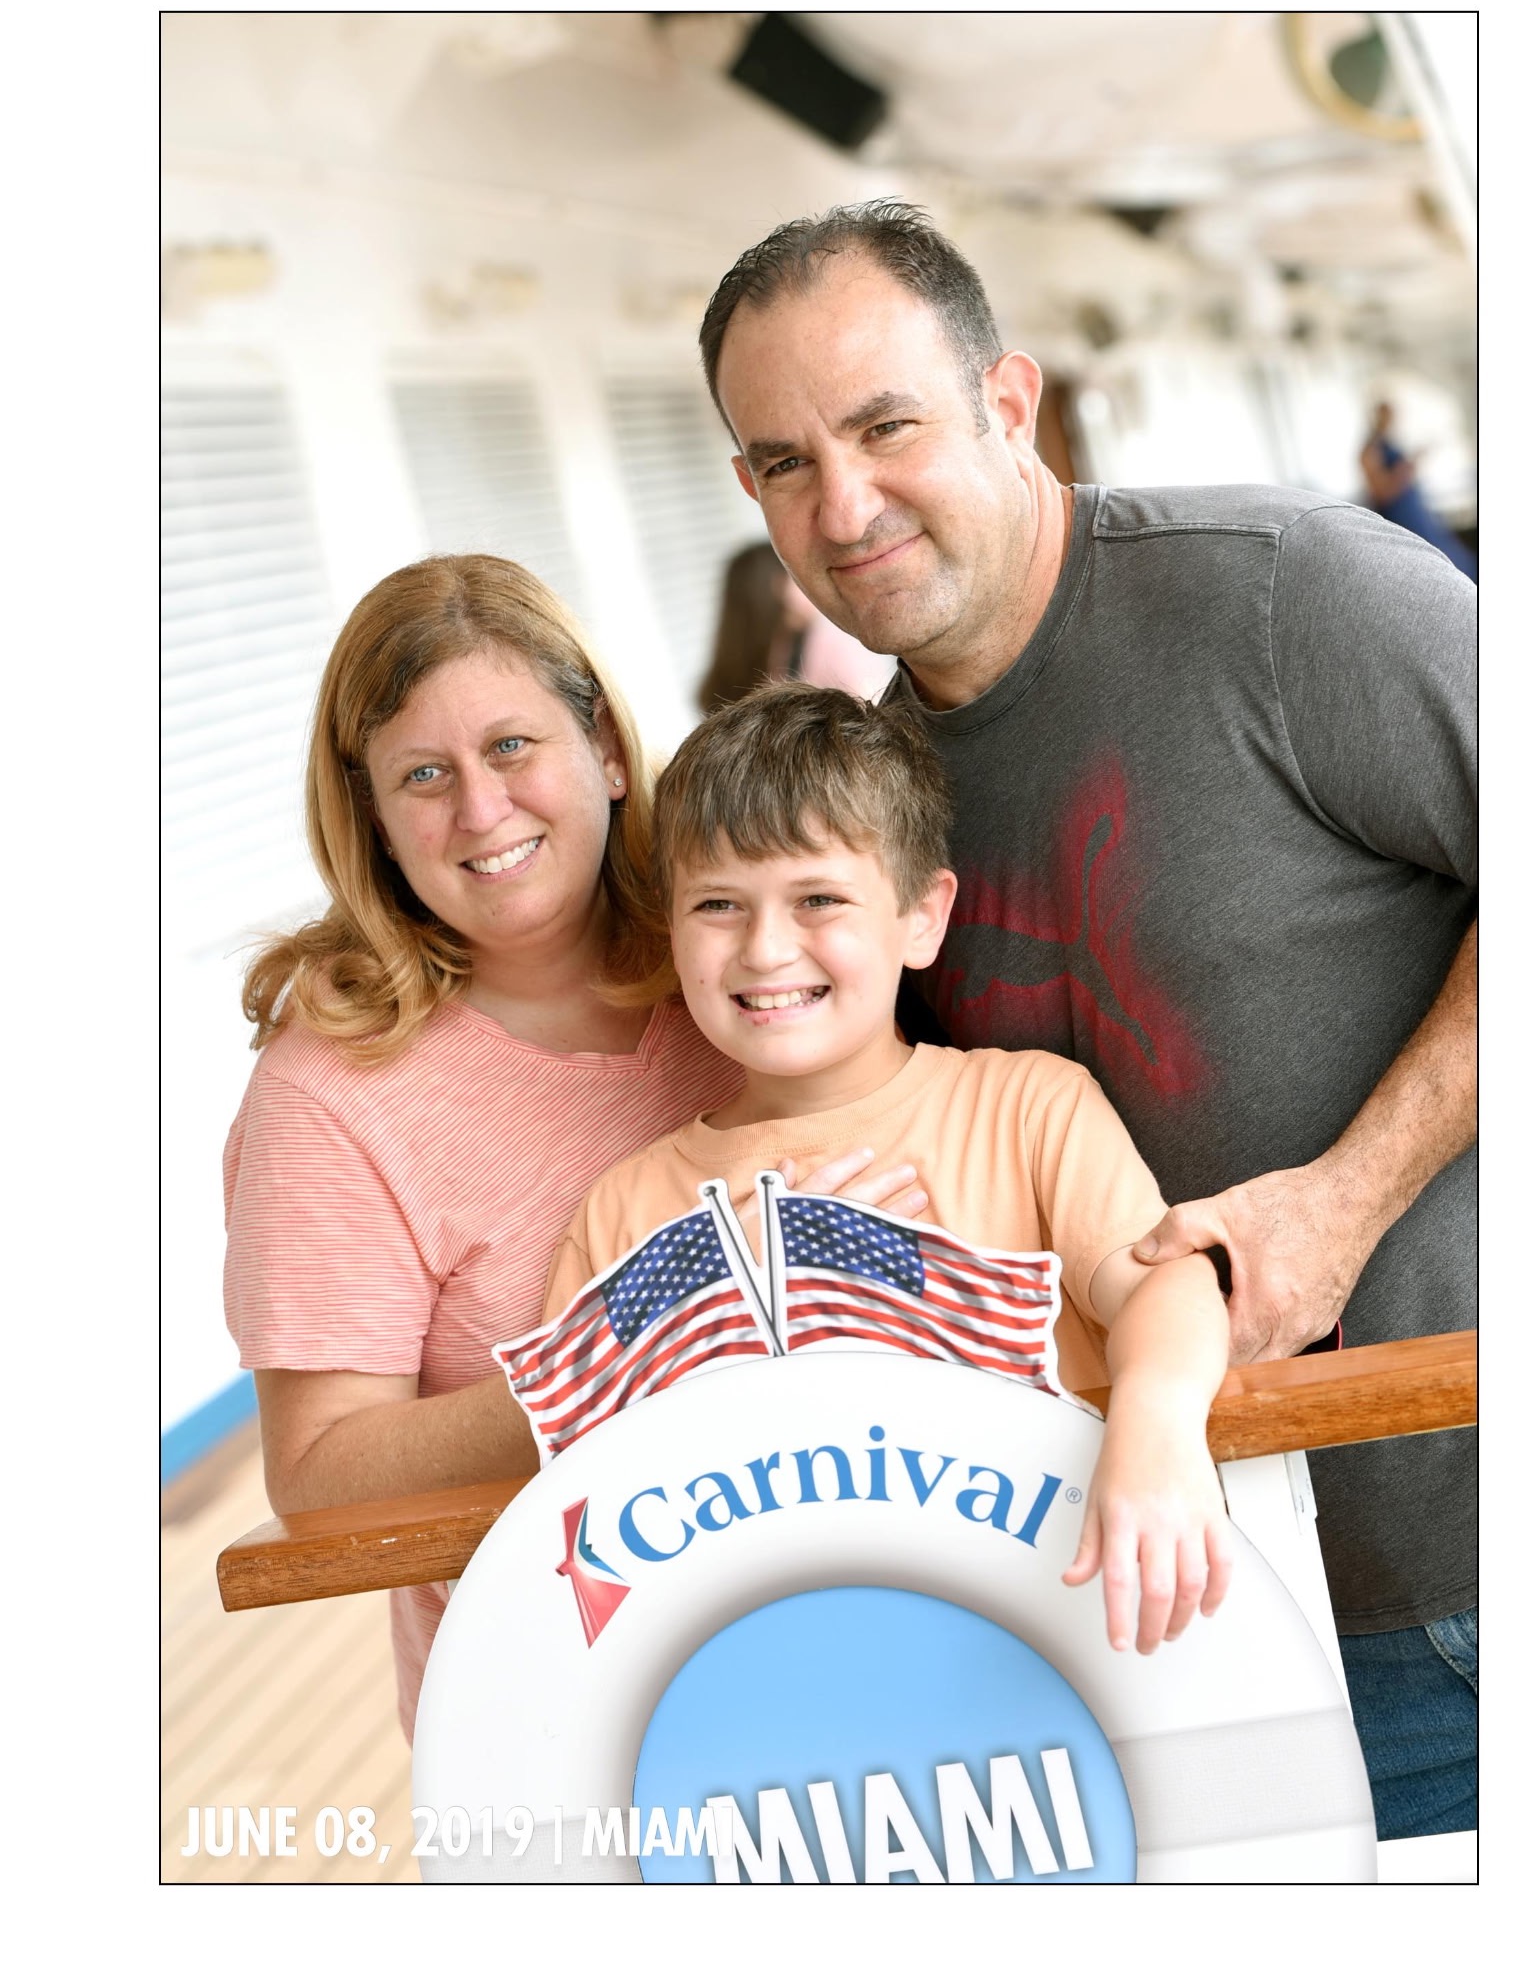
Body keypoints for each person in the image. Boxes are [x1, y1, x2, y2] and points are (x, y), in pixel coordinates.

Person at [695, 201, 1477, 1840]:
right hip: (1170, 1618)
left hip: (1481, 1557)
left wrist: (1344, 1199)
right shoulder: (872, 794)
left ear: (1008, 401)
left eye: (885, 427)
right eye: (781, 461)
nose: (841, 505)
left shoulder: (1286, 596)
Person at [222, 554, 923, 1739]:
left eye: (511, 746)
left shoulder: (746, 954)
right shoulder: (327, 1094)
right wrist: (644, 1343)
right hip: (575, 1722)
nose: (480, 810)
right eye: (423, 774)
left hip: (887, 1631)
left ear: (603, 746)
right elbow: (319, 1470)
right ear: (375, 818)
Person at [531, 684, 1235, 1658]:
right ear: (670, 929)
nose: (765, 948)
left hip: (1062, 1644)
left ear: (922, 917)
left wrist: (1158, 1420)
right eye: (717, 904)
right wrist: (725, 1308)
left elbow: (1166, 1280)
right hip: (782, 1671)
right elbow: (583, 1505)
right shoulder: (623, 1212)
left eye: (818, 899)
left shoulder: (1028, 1108)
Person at [699, 539, 892, 713]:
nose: (809, 582)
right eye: (793, 575)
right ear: (776, 587)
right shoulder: (824, 642)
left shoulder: (731, 669)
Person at [1359, 400, 1478, 581]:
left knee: (1458, 557)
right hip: (1402, 517)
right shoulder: (1370, 450)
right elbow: (1382, 492)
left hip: (1416, 512)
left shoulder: (1390, 444)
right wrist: (1410, 464)